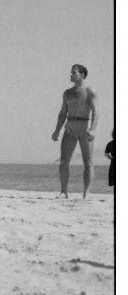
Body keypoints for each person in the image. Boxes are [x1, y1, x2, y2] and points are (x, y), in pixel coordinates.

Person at [52, 64, 98, 199]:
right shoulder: (67, 93)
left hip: (85, 127)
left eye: (74, 73)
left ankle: (86, 193)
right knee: (64, 160)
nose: (71, 75)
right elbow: (62, 112)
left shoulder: (90, 91)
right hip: (70, 127)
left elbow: (96, 111)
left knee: (88, 161)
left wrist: (93, 129)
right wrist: (57, 131)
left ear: (82, 75)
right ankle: (63, 191)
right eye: (71, 73)